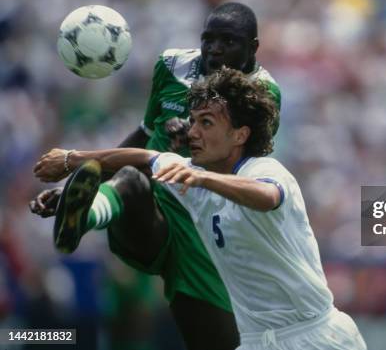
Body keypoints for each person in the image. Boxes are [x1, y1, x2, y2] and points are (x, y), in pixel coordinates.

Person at [34, 67, 367, 350]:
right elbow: (142, 158)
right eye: (192, 121)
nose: (192, 132)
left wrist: (202, 180)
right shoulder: (193, 174)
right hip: (256, 342)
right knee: (129, 180)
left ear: (240, 134)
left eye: (206, 123)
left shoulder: (264, 171)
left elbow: (266, 196)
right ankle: (88, 217)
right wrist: (73, 159)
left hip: (317, 338)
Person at [30, 2, 281, 350]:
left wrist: (197, 138)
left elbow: (245, 172)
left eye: (228, 41)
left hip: (205, 228)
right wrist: (80, 188)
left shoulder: (264, 92)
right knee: (132, 182)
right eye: (208, 38)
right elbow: (145, 135)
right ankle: (87, 213)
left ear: (253, 47)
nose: (215, 48)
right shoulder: (171, 66)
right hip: (157, 207)